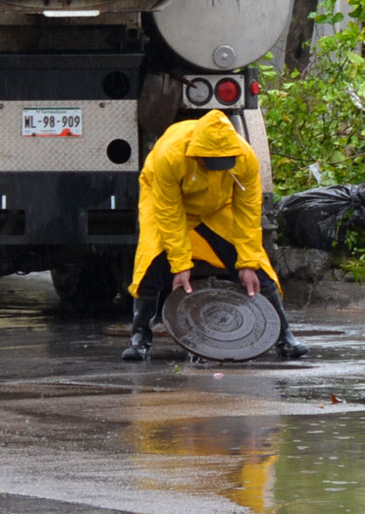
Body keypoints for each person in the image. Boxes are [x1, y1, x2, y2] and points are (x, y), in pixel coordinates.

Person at [123, 109, 306, 362]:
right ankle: (140, 337)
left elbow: (248, 214)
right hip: (168, 205)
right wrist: (180, 265)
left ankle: (285, 336)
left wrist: (247, 263)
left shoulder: (245, 158)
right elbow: (169, 212)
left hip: (217, 206)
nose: (218, 166)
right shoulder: (170, 155)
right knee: (151, 262)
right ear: (197, 154)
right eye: (211, 161)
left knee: (258, 269)